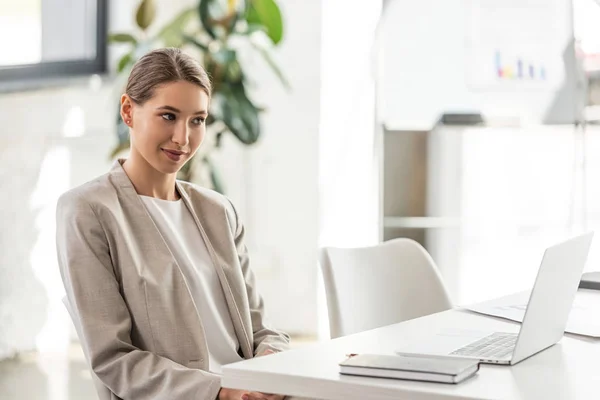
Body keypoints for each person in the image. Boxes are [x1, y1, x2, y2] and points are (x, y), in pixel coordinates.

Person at [56, 48, 290, 400]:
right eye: (168, 116)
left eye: (197, 120)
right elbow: (113, 359)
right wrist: (222, 391)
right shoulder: (88, 211)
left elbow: (261, 329)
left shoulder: (219, 211)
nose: (183, 138)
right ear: (128, 111)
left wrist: (271, 363)